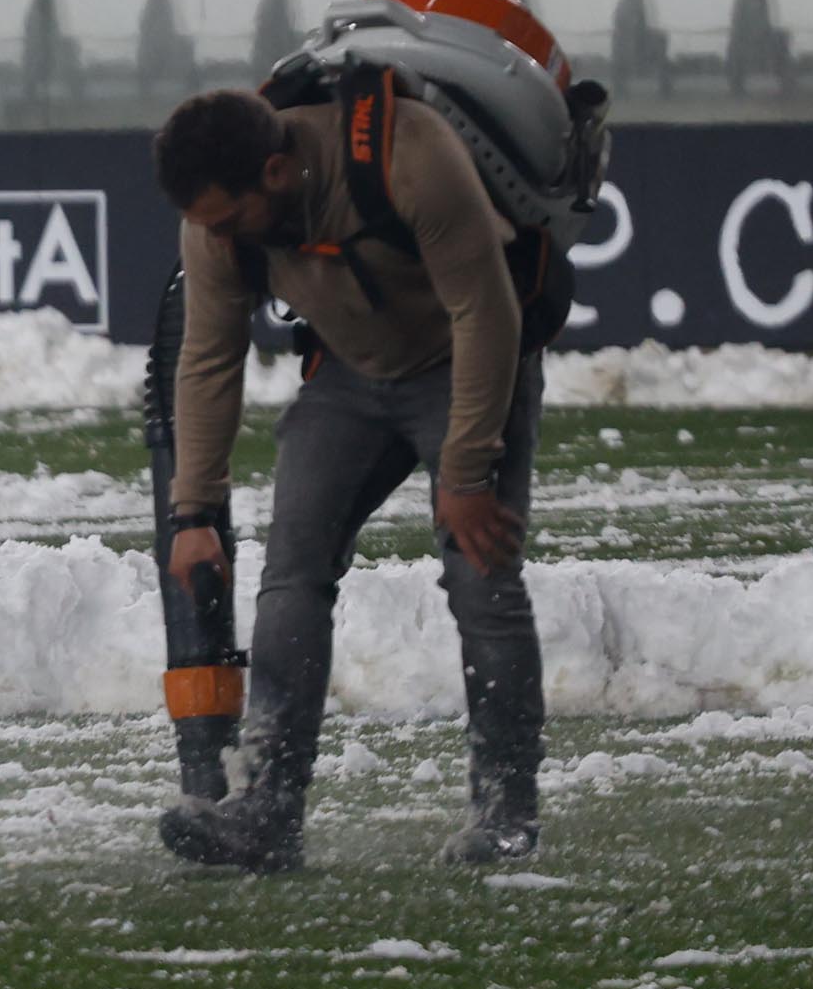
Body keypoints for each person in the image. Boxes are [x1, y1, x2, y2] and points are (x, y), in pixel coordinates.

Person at [151, 86, 544, 876]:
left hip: (467, 368)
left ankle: (506, 810)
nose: (216, 237)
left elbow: (488, 312)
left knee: (481, 577)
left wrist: (466, 471)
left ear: (276, 170)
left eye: (228, 218)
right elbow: (208, 357)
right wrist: (193, 508)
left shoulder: (411, 159)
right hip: (350, 378)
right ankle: (267, 809)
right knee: (291, 573)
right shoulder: (216, 228)